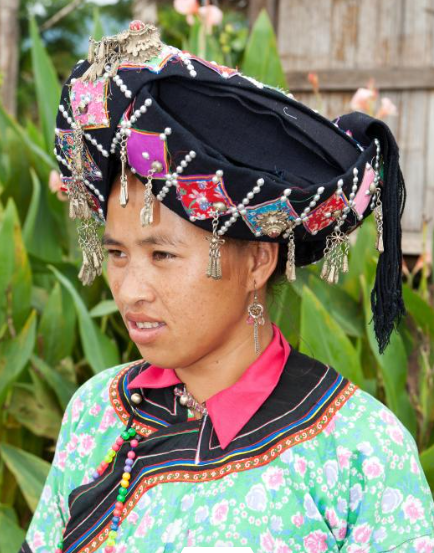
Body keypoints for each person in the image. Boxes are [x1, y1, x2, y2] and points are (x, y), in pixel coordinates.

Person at [21, 20, 434, 553]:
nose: (130, 291)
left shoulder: (359, 450)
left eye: (163, 255)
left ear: (258, 261)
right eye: (117, 254)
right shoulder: (96, 413)